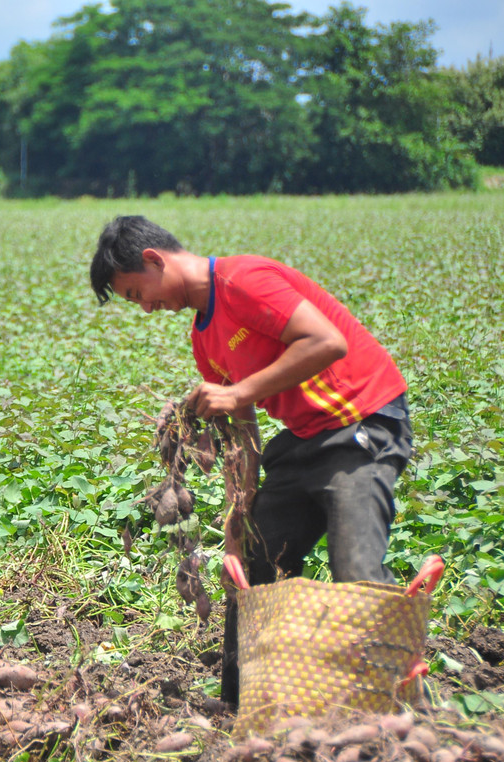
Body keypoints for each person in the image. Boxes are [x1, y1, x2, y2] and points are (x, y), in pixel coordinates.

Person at [88, 216, 412, 707]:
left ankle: (409, 715)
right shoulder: (204, 340)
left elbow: (328, 342)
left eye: (138, 293)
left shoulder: (242, 281)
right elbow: (244, 436)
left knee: (357, 571)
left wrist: (239, 390)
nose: (148, 308)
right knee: (254, 566)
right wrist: (235, 538)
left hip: (361, 424)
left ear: (154, 260)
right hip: (304, 444)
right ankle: (243, 710)